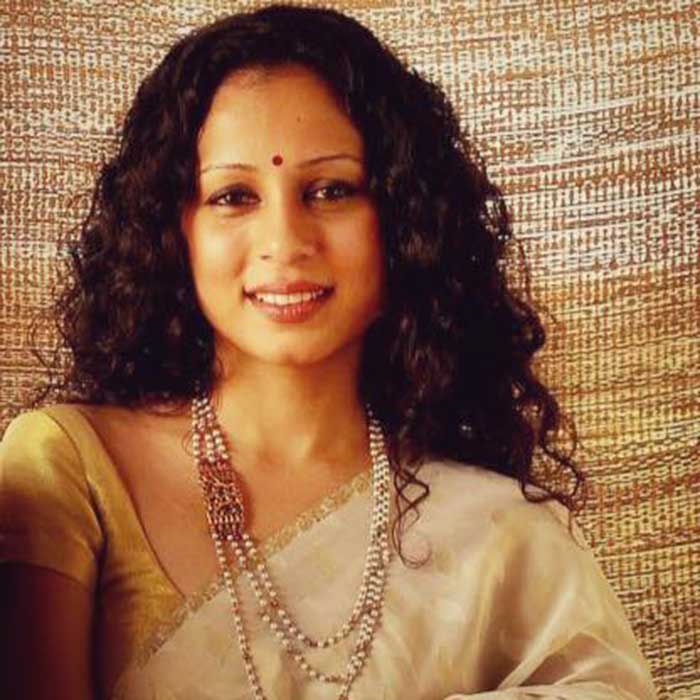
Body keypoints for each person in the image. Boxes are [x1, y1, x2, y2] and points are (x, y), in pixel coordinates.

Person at [0, 4, 657, 699]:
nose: (285, 241)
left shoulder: (498, 534)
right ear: (172, 229)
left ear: (403, 221)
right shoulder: (72, 468)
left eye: (331, 190)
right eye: (234, 196)